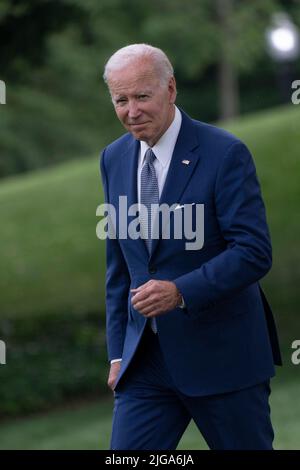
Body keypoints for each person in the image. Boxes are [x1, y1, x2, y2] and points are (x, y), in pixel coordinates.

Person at [99, 43, 282, 450]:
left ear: (171, 89)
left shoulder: (225, 153)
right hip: (144, 362)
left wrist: (182, 291)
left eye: (142, 96)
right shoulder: (112, 158)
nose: (132, 111)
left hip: (223, 357)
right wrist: (117, 354)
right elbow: (119, 267)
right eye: (121, 100)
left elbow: (253, 251)